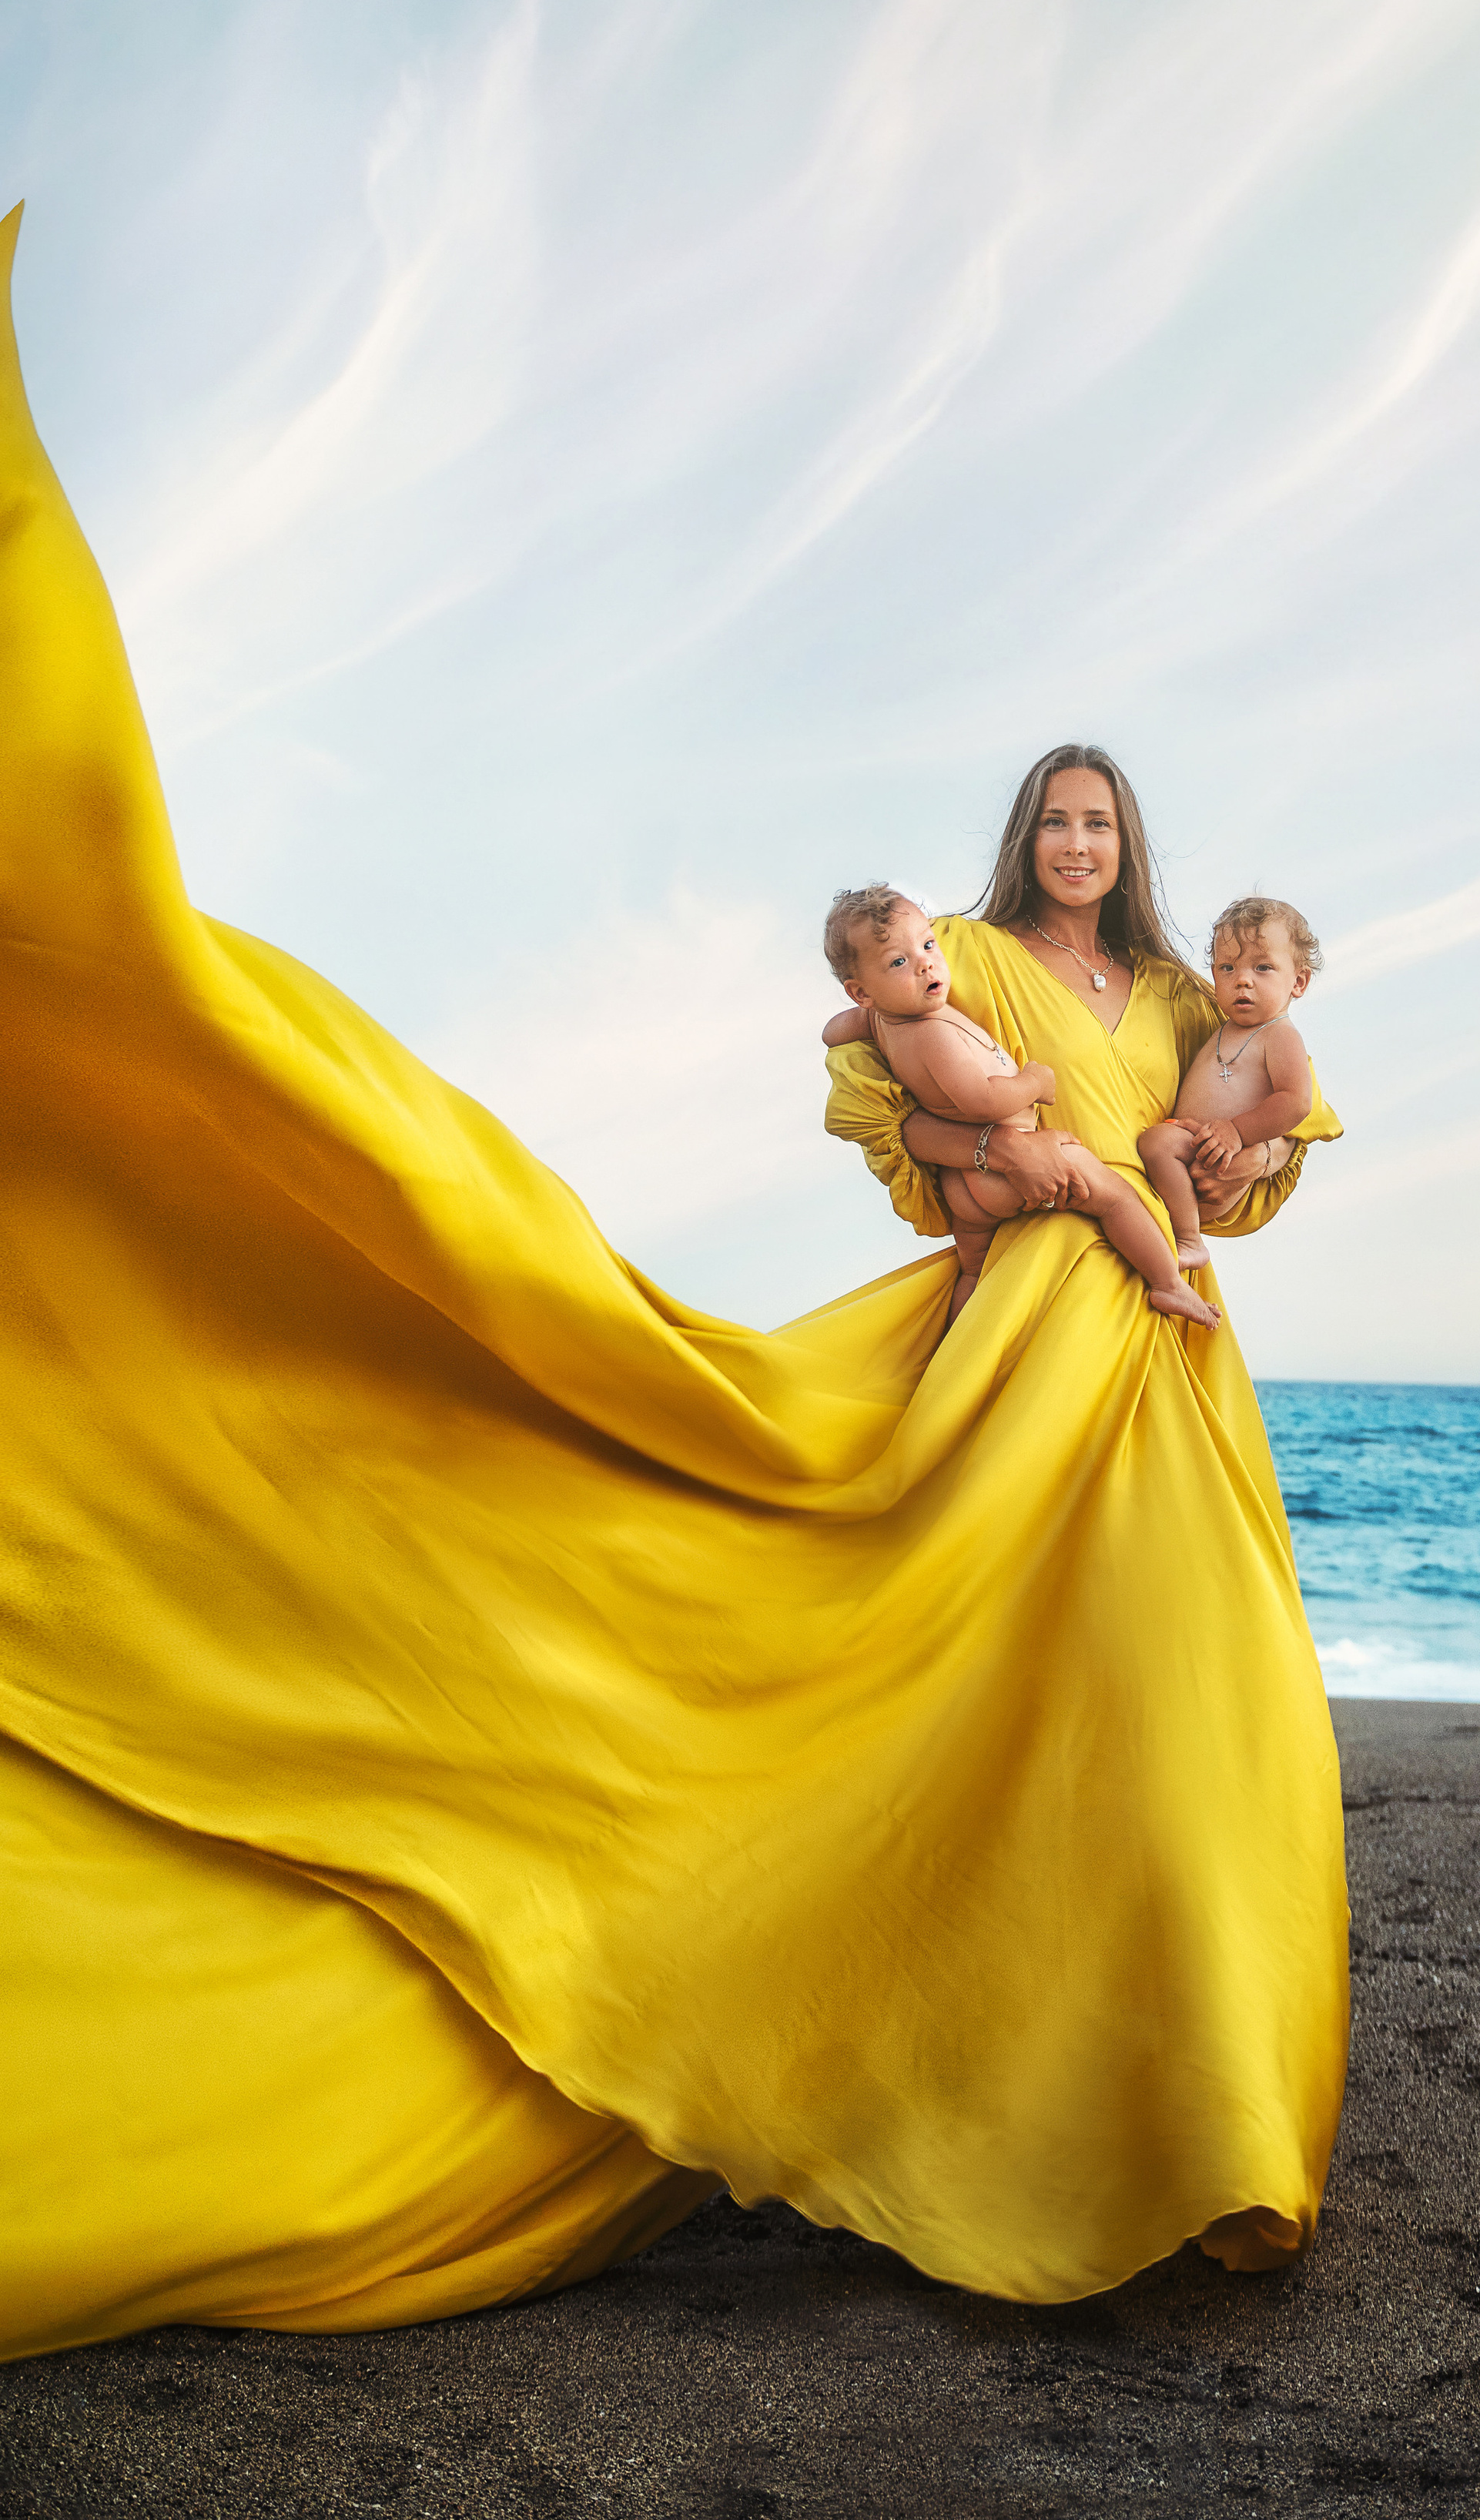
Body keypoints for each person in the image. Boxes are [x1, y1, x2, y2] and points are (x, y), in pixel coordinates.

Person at [0, 205, 1349, 2362]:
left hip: (1170, 1361)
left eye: (1104, 824)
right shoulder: (971, 963)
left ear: (1139, 849)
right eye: (1056, 823)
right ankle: (995, 2075)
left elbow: (1246, 1154)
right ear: (1024, 847)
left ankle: (1177, 2102)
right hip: (1017, 1359)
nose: (1080, 846)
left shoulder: (1190, 994)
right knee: (938, 1670)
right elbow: (907, 1126)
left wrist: (1233, 1154)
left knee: (1182, 1692)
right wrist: (989, 1157)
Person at [820, 883, 1220, 1329]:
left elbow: (833, 1032)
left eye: (928, 945)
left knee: (974, 1272)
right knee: (1115, 1199)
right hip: (1007, 1166)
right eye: (898, 962)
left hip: (964, 1186)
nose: (924, 963)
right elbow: (981, 1101)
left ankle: (955, 1342)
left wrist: (864, 1014)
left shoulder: (879, 1020)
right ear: (861, 991)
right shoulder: (930, 1035)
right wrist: (1033, 1084)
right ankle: (1166, 1281)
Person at [1138, 896, 1321, 1270]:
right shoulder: (1221, 1028)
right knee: (1155, 1144)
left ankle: (1188, 1240)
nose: (1242, 979)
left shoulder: (1280, 1036)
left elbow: (1296, 1101)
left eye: (1263, 967)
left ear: (1298, 981)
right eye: (1227, 967)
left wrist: (1237, 1132)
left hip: (1222, 1162)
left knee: (1155, 1144)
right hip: (1196, 1146)